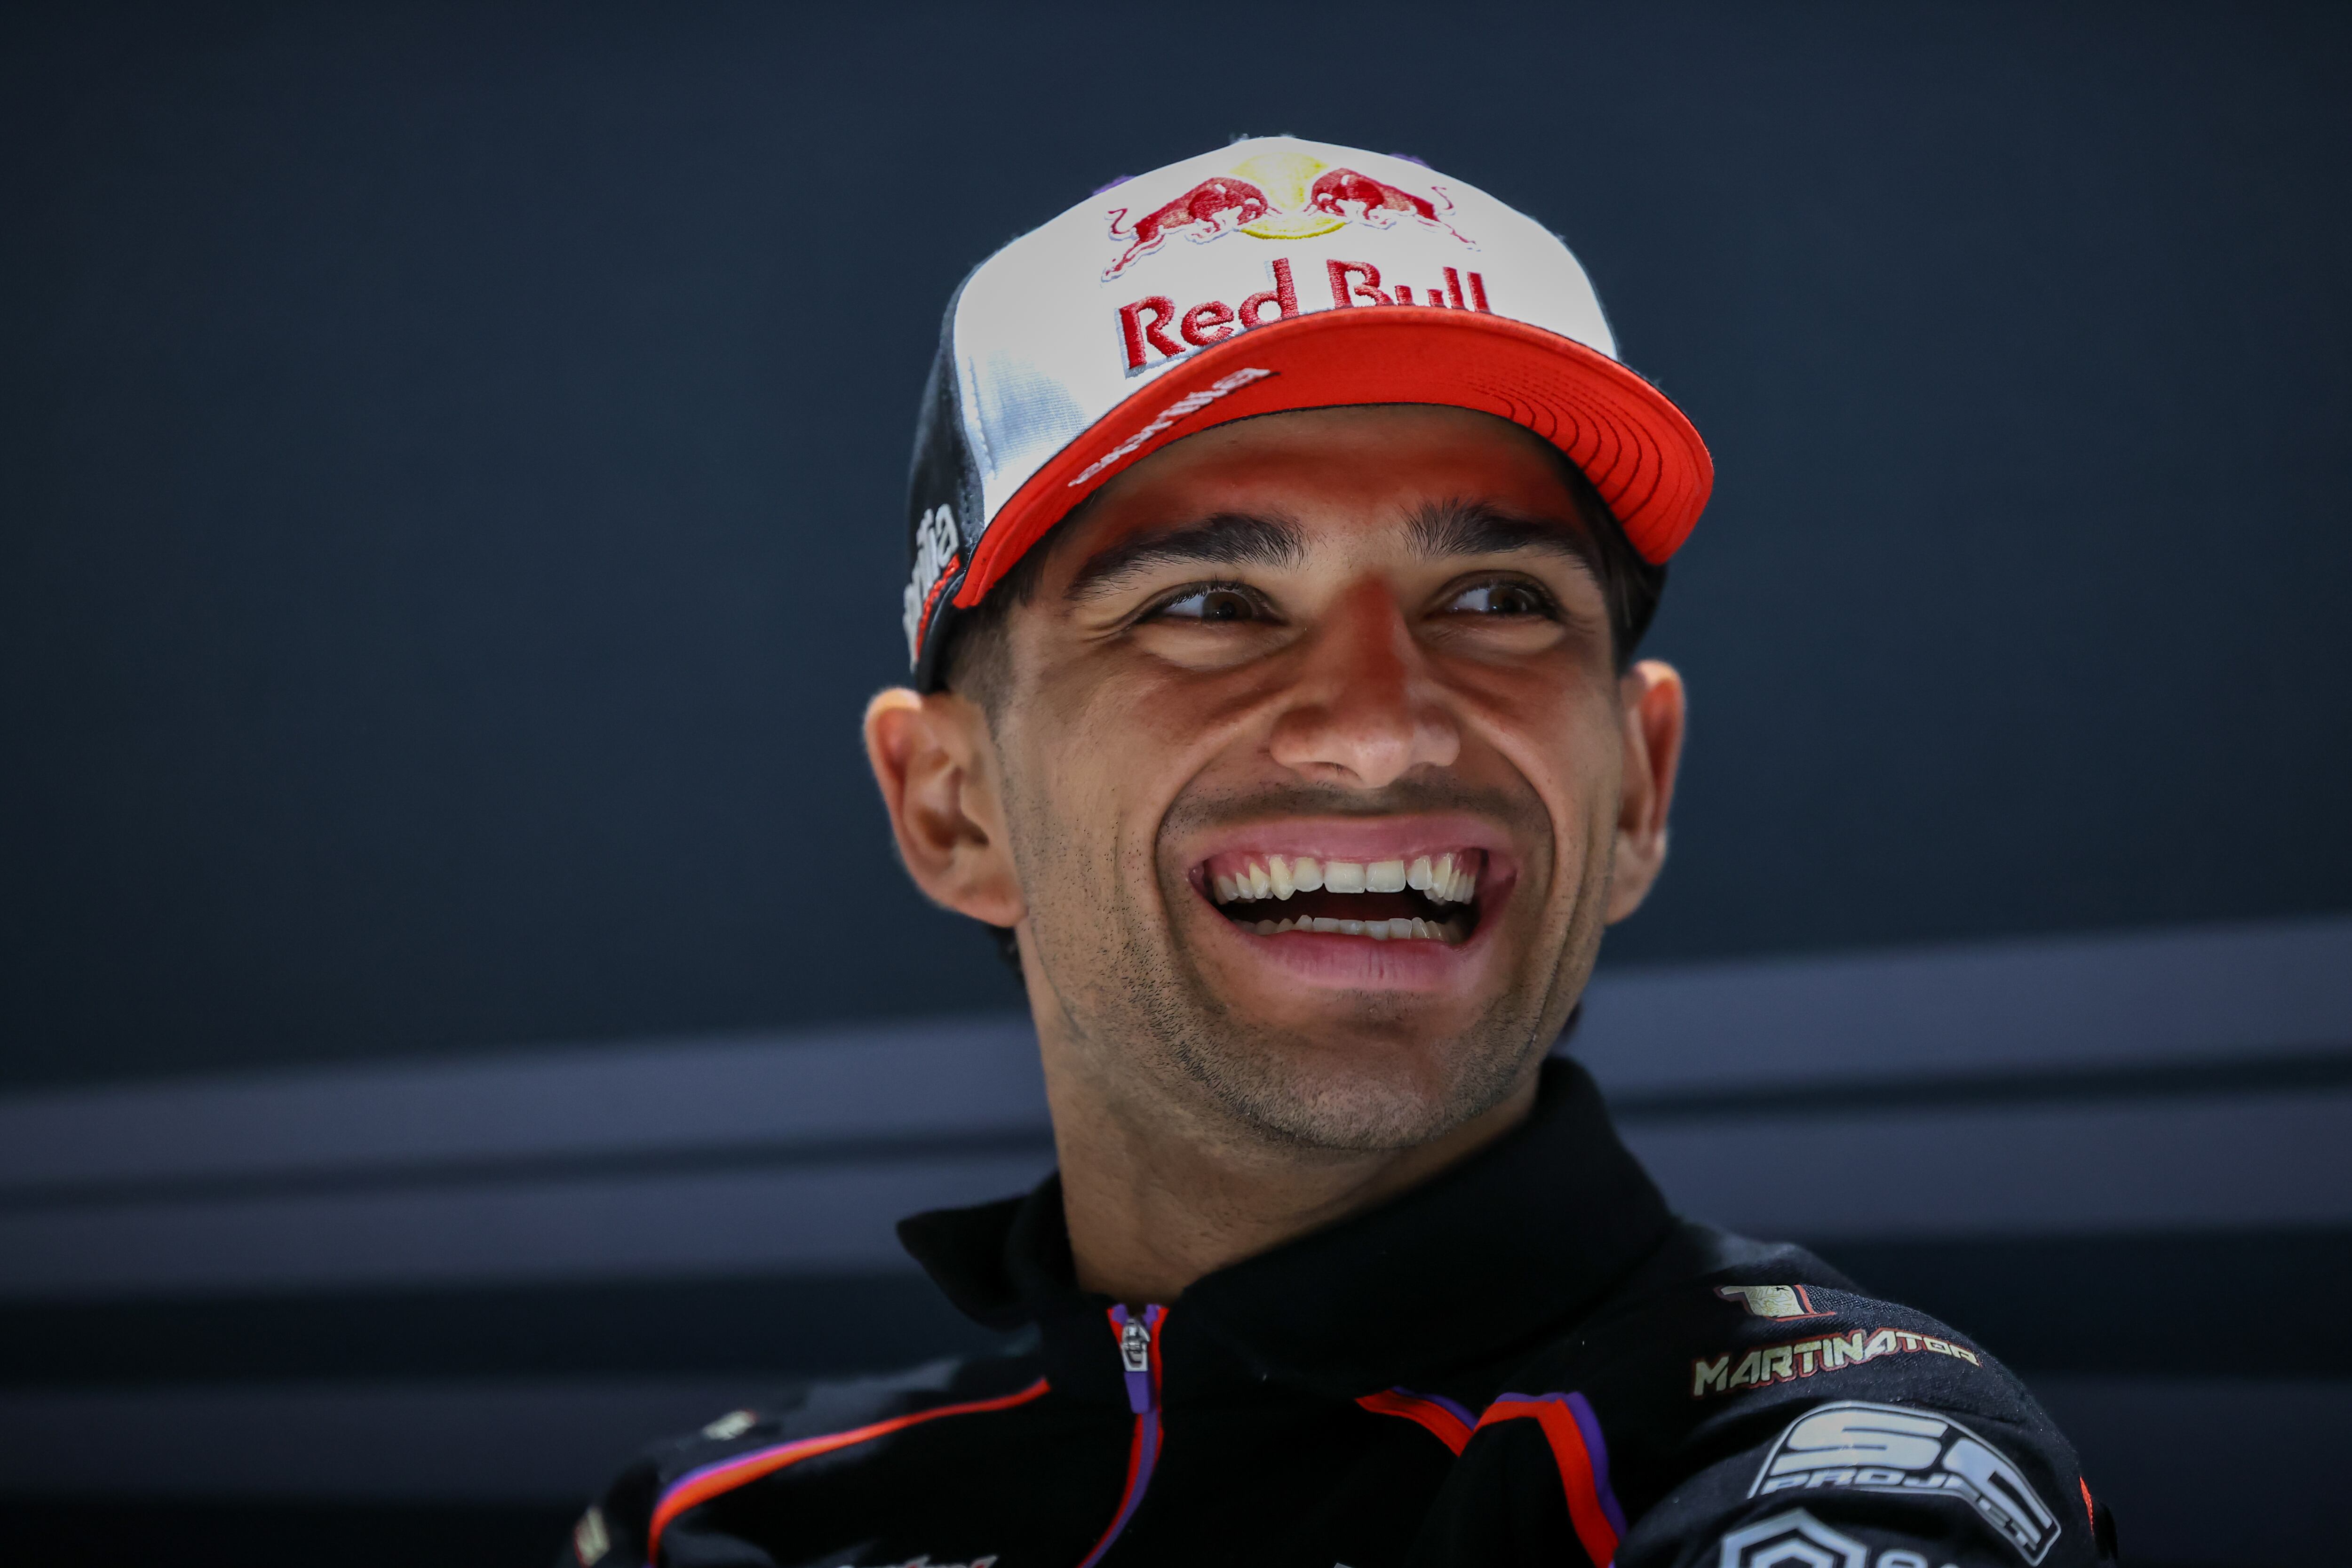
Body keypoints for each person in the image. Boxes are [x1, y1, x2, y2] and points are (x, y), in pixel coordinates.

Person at [567, 137, 2115, 1568]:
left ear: (1638, 787)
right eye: (1208, 607)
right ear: (953, 811)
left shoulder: (1841, 1463)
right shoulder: (714, 1524)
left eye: (1499, 601)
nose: (1381, 730)